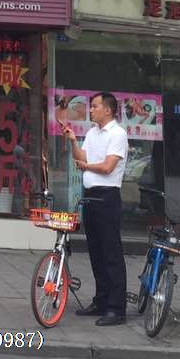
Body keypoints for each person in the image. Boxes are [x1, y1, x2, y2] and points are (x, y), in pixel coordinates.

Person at [63, 91, 128, 326]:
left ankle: (116, 308)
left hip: (107, 196)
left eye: (95, 106)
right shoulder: (92, 133)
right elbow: (81, 157)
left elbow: (108, 167)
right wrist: (73, 141)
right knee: (96, 251)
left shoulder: (118, 134)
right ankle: (101, 301)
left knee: (111, 252)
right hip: (90, 195)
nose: (91, 110)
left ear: (108, 110)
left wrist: (86, 166)